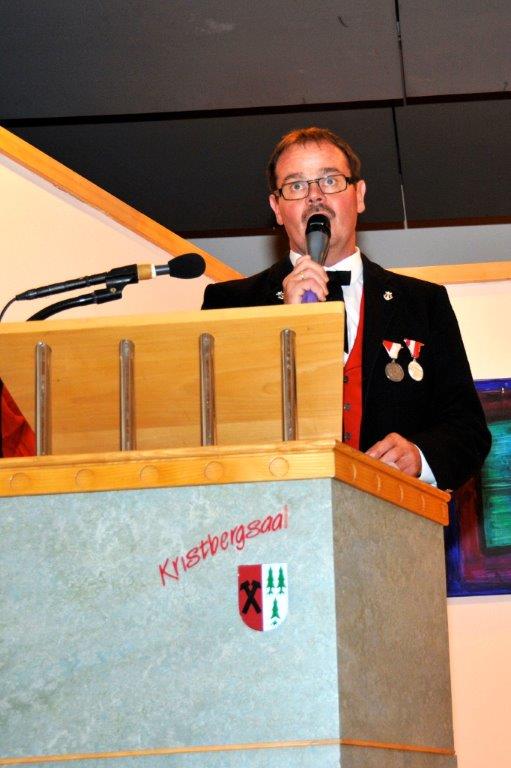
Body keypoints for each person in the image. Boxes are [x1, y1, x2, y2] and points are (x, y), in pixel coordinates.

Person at [202, 127, 491, 491]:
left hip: (391, 512)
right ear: (276, 208)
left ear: (359, 195)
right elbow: (214, 431)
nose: (315, 197)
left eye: (330, 180)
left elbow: (468, 430)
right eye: (296, 185)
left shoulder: (423, 303)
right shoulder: (229, 304)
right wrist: (282, 325)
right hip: (274, 515)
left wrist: (419, 456)